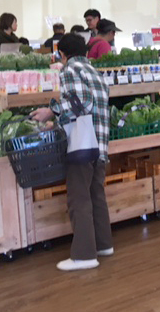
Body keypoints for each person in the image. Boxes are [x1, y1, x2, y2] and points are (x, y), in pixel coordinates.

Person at [30, 33, 112, 272]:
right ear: (86, 52)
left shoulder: (69, 70)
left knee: (78, 198)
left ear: (62, 54)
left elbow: (82, 102)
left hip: (81, 145)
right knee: (96, 193)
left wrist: (51, 111)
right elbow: (92, 103)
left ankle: (84, 255)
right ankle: (103, 244)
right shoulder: (94, 71)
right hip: (100, 143)